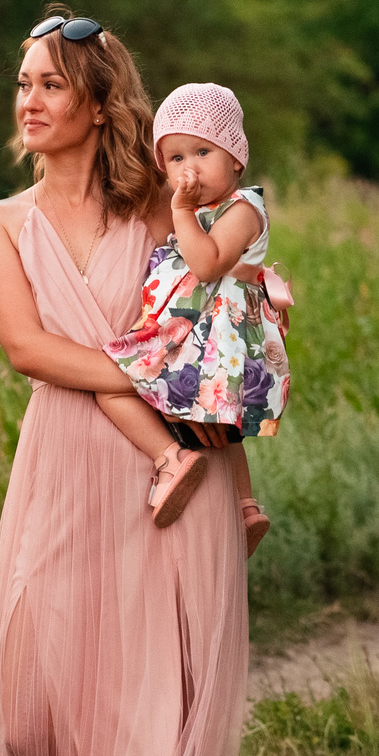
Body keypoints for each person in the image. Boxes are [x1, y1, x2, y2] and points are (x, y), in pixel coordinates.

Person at [0, 5, 251, 756]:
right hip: (62, 467)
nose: (28, 100)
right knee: (26, 711)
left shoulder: (152, 213)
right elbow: (24, 347)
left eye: (48, 82)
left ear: (97, 99)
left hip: (164, 478)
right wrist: (134, 378)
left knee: (143, 698)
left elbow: (222, 313)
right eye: (22, 82)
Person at [99, 82, 290, 554]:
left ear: (236, 159)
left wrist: (180, 212)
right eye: (176, 159)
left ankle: (170, 460)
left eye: (202, 152)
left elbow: (206, 265)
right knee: (222, 433)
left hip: (213, 340)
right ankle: (246, 508)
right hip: (201, 333)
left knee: (111, 384)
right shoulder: (203, 209)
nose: (189, 170)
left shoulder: (244, 208)